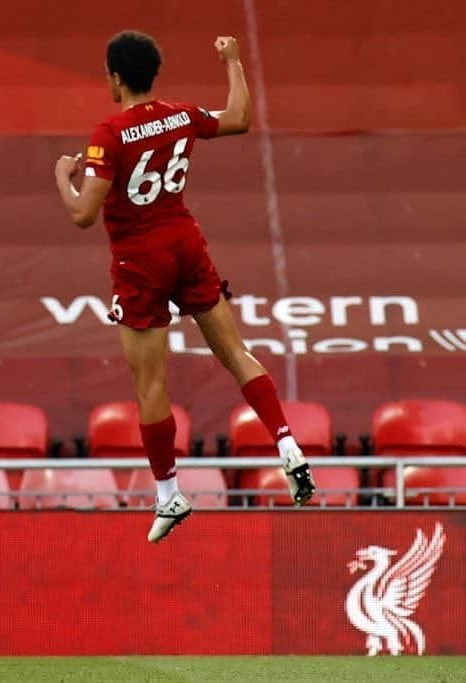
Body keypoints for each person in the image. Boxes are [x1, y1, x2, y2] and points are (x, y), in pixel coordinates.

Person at [53, 31, 316, 542]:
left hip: (140, 263)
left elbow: (83, 214)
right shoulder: (182, 114)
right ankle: (287, 444)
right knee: (237, 353)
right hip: (186, 244)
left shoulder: (108, 133)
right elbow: (239, 118)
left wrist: (62, 178)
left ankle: (168, 494)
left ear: (114, 77)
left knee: (152, 386)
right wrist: (233, 61)